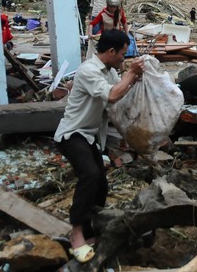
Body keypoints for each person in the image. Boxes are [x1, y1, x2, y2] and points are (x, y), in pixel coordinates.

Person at [54, 30, 145, 263]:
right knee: (90, 175)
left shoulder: (110, 71)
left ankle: (90, 229)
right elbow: (113, 95)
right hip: (72, 134)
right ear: (111, 51)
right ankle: (75, 233)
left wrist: (137, 79)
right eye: (123, 54)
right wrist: (130, 75)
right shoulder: (88, 70)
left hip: (91, 137)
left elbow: (122, 92)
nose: (123, 59)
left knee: (101, 185)